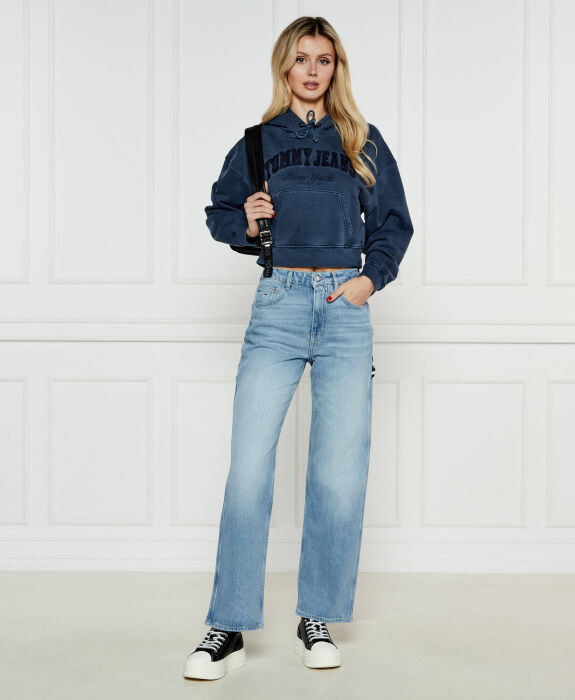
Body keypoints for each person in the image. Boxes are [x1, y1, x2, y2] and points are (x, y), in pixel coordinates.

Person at [183, 16, 413, 681]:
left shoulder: (363, 141)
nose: (313, 71)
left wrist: (368, 281)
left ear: (336, 68)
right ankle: (227, 625)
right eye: (301, 59)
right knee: (249, 472)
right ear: (284, 67)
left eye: (324, 59)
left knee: (338, 474)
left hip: (344, 308)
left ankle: (317, 615)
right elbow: (220, 213)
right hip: (278, 305)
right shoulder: (257, 143)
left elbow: (393, 224)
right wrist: (245, 221)